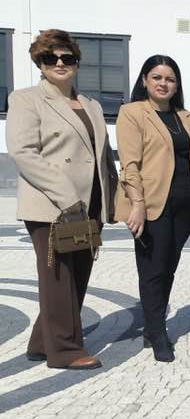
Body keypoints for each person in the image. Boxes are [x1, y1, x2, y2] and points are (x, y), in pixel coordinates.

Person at [6, 29, 117, 370]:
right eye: (49, 57)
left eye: (67, 57)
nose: (59, 63)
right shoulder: (26, 99)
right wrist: (67, 196)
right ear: (39, 63)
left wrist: (112, 200)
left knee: (78, 276)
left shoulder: (91, 105)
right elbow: (24, 152)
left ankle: (42, 341)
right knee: (59, 278)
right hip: (53, 205)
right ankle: (65, 350)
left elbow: (102, 157)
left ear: (77, 62)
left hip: (89, 203)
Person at [115, 55, 190, 362]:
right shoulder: (132, 113)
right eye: (157, 78)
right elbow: (130, 164)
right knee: (152, 269)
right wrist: (136, 204)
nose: (164, 84)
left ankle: (152, 326)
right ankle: (158, 331)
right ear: (144, 81)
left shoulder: (186, 117)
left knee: (169, 268)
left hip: (183, 205)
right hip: (151, 204)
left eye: (170, 79)